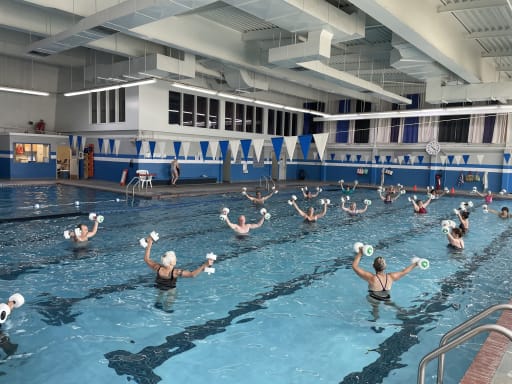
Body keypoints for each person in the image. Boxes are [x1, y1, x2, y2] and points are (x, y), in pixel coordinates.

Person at [142, 234, 214, 310]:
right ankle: (166, 309)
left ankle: (158, 303)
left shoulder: (157, 267)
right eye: (175, 259)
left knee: (160, 294)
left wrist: (149, 243)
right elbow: (192, 274)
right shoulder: (175, 272)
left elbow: (146, 259)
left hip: (160, 287)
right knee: (171, 297)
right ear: (172, 263)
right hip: (170, 289)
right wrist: (204, 265)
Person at [352, 247, 420, 323]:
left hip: (373, 297)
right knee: (393, 305)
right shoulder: (391, 277)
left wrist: (360, 252)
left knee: (375, 308)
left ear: (373, 266)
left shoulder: (372, 278)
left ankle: (375, 320)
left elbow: (355, 266)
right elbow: (404, 272)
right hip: (386, 297)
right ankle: (401, 312)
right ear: (385, 266)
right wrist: (415, 264)